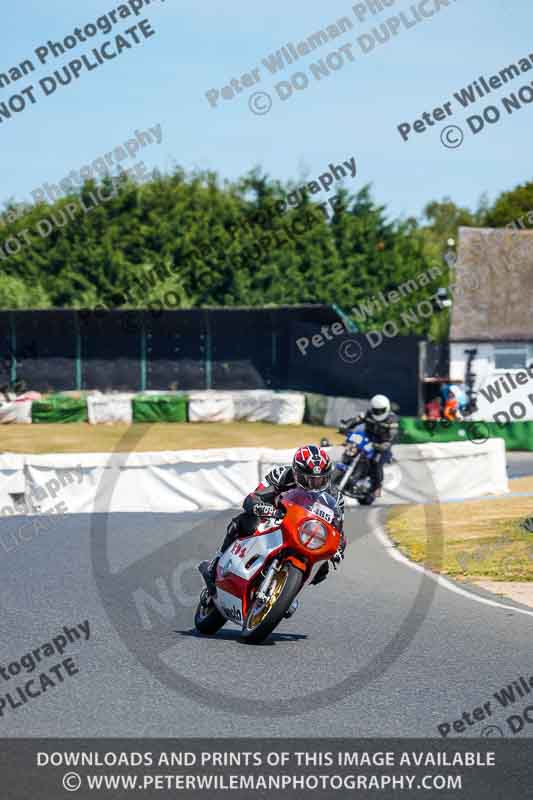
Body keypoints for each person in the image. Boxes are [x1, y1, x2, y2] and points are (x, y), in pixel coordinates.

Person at [199, 445, 346, 596]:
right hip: (276, 518)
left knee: (323, 569)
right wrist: (267, 509)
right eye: (307, 479)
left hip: (307, 534)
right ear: (296, 473)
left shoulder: (336, 497)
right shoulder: (282, 474)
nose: (314, 485)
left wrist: (339, 550)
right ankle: (215, 564)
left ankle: (288, 593)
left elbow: (339, 530)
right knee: (242, 522)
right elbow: (253, 498)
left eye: (321, 480)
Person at [339, 394, 398, 496]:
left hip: (381, 446)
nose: (378, 413)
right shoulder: (368, 414)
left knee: (376, 463)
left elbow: (393, 435)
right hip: (366, 440)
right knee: (350, 450)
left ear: (387, 408)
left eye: (380, 410)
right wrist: (346, 425)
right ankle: (346, 473)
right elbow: (356, 419)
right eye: (376, 410)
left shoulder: (392, 420)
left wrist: (385, 444)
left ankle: (377, 487)